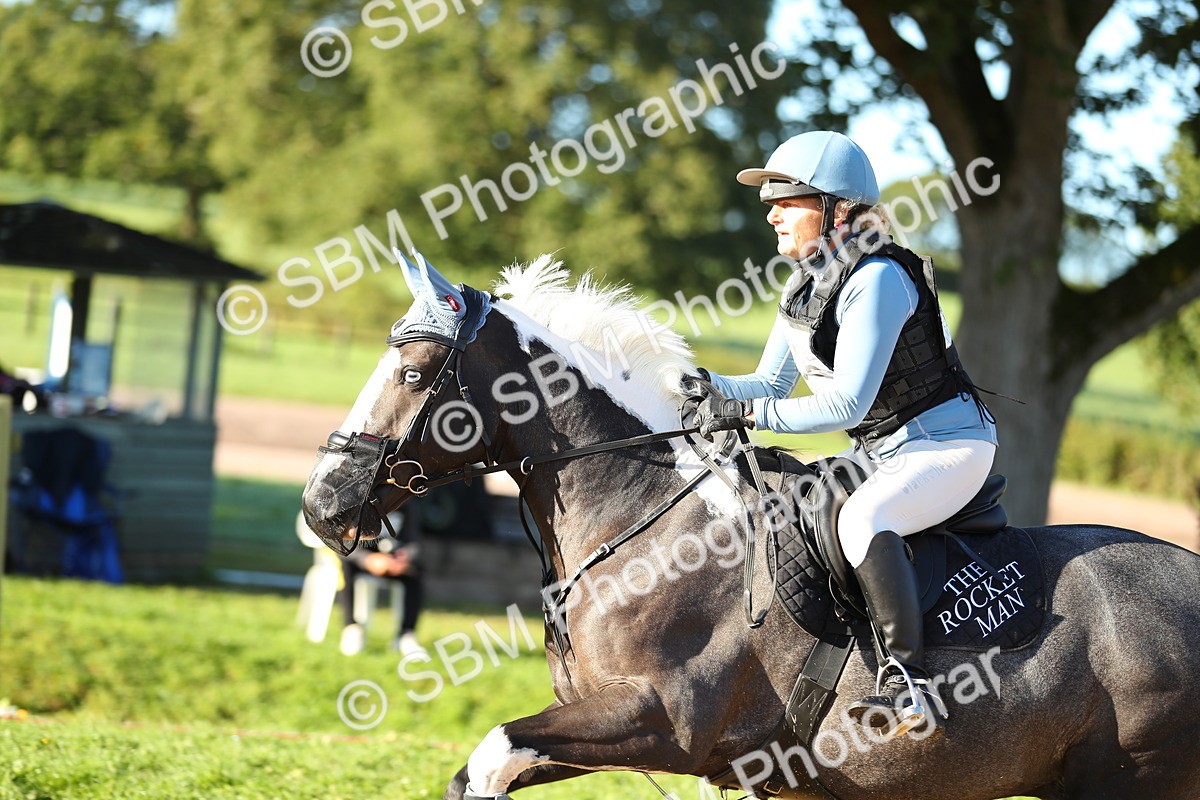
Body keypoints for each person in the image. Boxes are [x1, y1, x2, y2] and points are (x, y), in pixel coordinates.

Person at [691, 130, 997, 739]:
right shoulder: (803, 282)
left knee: (864, 521)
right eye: (770, 200)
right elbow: (767, 384)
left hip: (948, 448)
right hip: (881, 450)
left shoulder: (878, 277)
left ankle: (908, 685)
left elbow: (844, 402)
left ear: (838, 208)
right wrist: (688, 383)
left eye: (788, 199)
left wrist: (746, 418)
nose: (771, 211)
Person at [337, 507, 428, 660]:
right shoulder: (359, 497)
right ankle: (351, 627)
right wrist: (367, 560)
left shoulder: (407, 502)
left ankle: (406, 634)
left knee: (415, 571)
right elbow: (340, 541)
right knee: (345, 568)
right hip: (360, 558)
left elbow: (414, 540)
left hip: (392, 560)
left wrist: (405, 557)